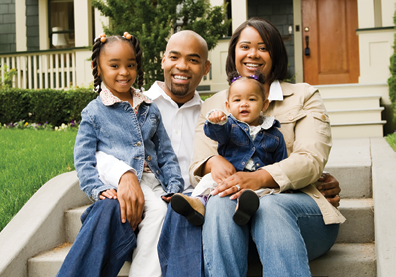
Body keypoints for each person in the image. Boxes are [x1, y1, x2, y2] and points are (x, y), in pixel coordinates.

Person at [57, 29, 342, 277]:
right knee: (113, 209)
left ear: (206, 68)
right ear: (163, 60)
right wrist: (124, 175)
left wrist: (301, 177)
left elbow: (306, 157)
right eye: (244, 47)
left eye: (193, 60)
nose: (182, 66)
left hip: (191, 204)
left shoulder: (213, 107)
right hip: (145, 197)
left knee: (193, 214)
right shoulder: (139, 104)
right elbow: (92, 149)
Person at [189, 17, 346, 276]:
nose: (253, 54)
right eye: (245, 46)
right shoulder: (216, 104)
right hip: (232, 228)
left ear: (275, 54)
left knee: (270, 207)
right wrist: (211, 161)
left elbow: (311, 159)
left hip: (298, 214)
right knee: (217, 201)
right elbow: (202, 157)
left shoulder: (304, 96)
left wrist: (259, 178)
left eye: (263, 47)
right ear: (234, 53)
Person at [57, 32, 184, 277]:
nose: (124, 72)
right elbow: (84, 159)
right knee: (157, 211)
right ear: (98, 68)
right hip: (124, 181)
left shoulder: (149, 107)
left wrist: (174, 186)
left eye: (130, 65)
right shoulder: (94, 112)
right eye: (114, 65)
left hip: (154, 180)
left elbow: (166, 153)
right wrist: (95, 188)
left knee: (166, 211)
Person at [170, 73, 287, 226]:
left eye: (251, 99)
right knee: (208, 180)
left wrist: (281, 183)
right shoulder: (229, 127)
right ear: (228, 106)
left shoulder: (275, 134)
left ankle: (243, 208)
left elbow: (281, 163)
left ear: (265, 104)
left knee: (263, 194)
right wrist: (215, 121)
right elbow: (216, 133)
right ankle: (196, 203)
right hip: (228, 177)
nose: (244, 104)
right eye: (237, 100)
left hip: (256, 182)